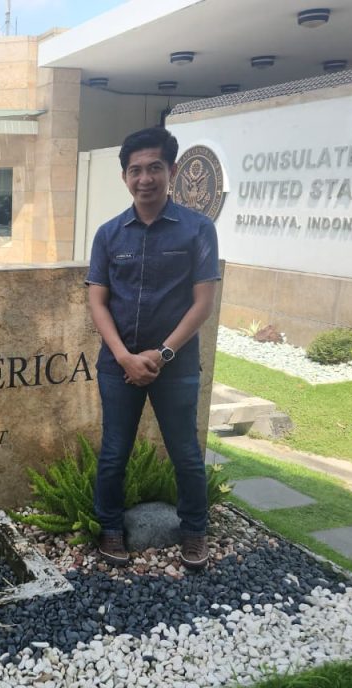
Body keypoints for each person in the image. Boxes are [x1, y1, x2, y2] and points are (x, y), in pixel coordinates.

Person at [85, 126, 221, 571]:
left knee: (185, 453)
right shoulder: (109, 234)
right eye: (136, 170)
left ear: (172, 171)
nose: (145, 179)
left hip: (175, 366)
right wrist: (125, 357)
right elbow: (97, 301)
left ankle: (194, 531)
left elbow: (203, 303)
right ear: (125, 176)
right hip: (118, 365)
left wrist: (161, 354)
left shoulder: (198, 230)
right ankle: (110, 527)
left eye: (155, 168)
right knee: (114, 453)